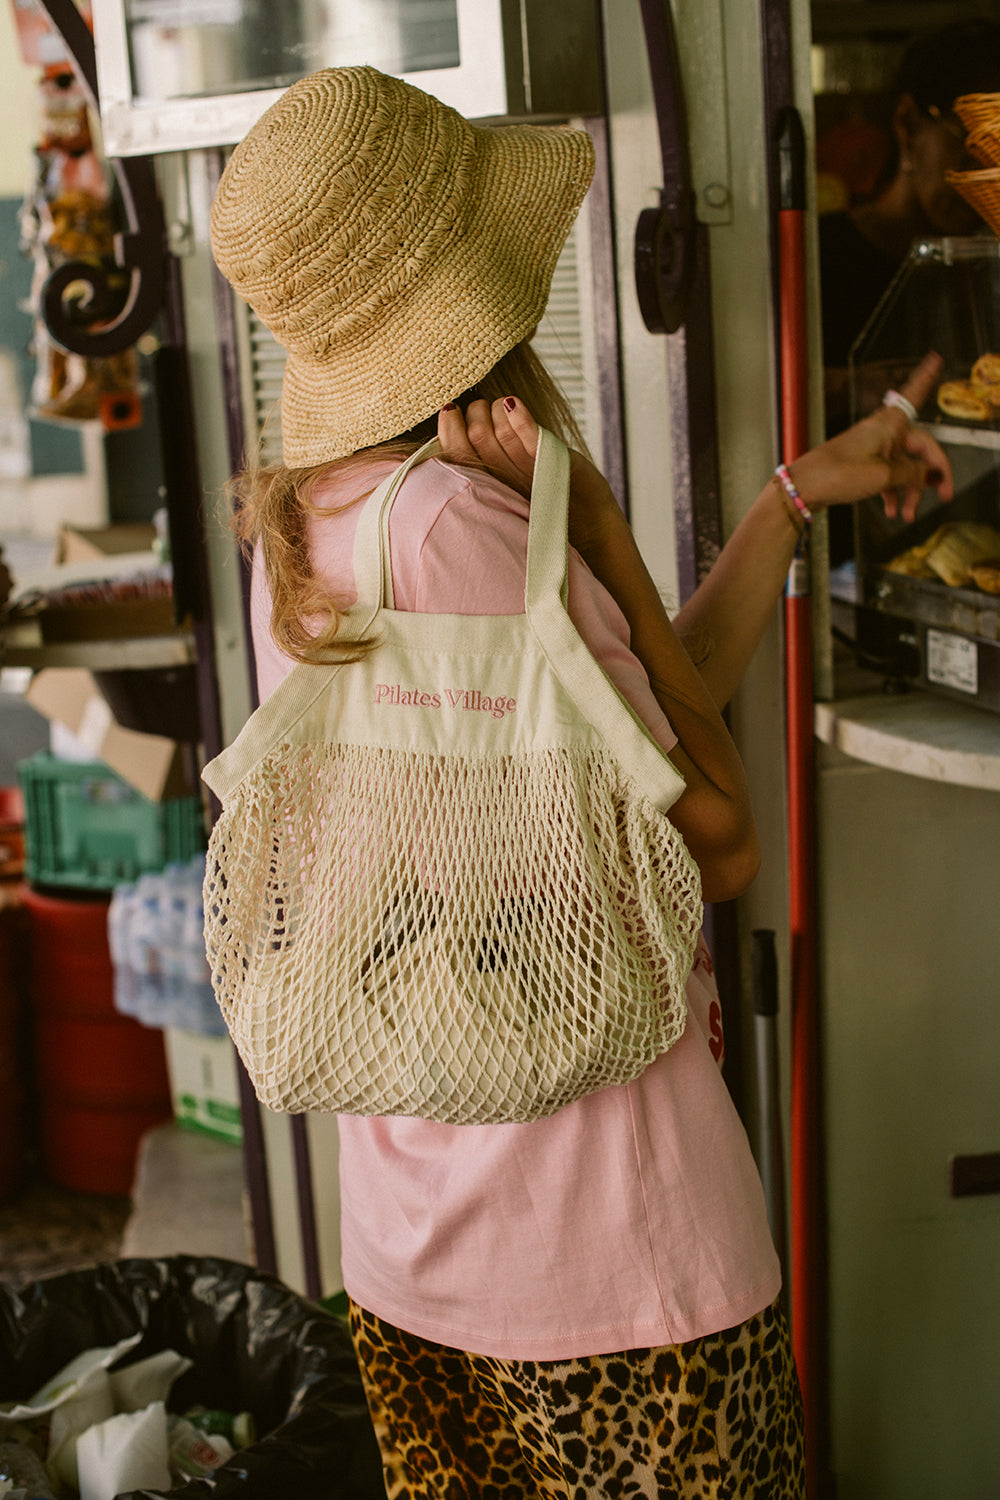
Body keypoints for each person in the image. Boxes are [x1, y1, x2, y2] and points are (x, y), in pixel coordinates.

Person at [209, 66, 951, 1498]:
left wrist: (786, 498)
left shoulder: (303, 528)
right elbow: (714, 840)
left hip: (418, 1251)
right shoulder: (462, 528)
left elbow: (609, 754)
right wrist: (600, 530)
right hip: (609, 1262)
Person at [820, 18, 1000, 438]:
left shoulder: (983, 266)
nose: (988, 179)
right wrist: (847, 387)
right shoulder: (817, 259)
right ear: (909, 126)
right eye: (973, 147)